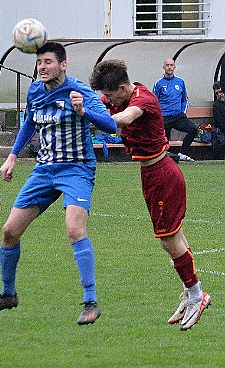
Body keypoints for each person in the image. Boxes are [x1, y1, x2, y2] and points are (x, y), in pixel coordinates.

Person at [0, 42, 117, 325]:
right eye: (39, 62)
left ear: (63, 65)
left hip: (77, 169)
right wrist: (12, 156)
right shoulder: (35, 91)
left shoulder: (79, 91)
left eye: (48, 62)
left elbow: (110, 125)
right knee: (9, 231)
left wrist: (83, 112)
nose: (42, 67)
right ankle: (8, 294)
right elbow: (30, 121)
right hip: (44, 170)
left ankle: (90, 301)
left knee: (74, 229)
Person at [89, 59, 211, 331]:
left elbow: (123, 119)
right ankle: (189, 292)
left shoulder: (143, 99)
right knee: (173, 238)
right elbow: (100, 105)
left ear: (122, 88)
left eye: (110, 95)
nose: (107, 99)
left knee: (168, 240)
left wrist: (92, 118)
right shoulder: (120, 97)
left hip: (162, 174)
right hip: (151, 173)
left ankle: (196, 295)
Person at [153, 58, 198, 161]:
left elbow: (185, 99)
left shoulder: (180, 82)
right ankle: (165, 160)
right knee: (164, 142)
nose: (169, 67)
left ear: (174, 67)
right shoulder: (158, 83)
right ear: (163, 67)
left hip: (178, 116)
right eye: (167, 65)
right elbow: (154, 101)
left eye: (171, 65)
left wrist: (183, 112)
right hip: (164, 117)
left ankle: (182, 153)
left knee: (193, 129)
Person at [212, 81, 225, 159]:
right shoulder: (216, 106)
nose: (219, 94)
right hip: (222, 131)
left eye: (221, 91)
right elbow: (221, 124)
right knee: (220, 141)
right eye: (217, 93)